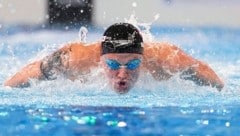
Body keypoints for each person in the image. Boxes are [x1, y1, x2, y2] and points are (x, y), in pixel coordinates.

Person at [4, 22, 224, 94]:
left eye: (133, 64)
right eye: (112, 64)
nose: (122, 74)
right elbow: (34, 70)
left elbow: (204, 72)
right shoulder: (74, 59)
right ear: (100, 58)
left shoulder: (167, 59)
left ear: (143, 57)